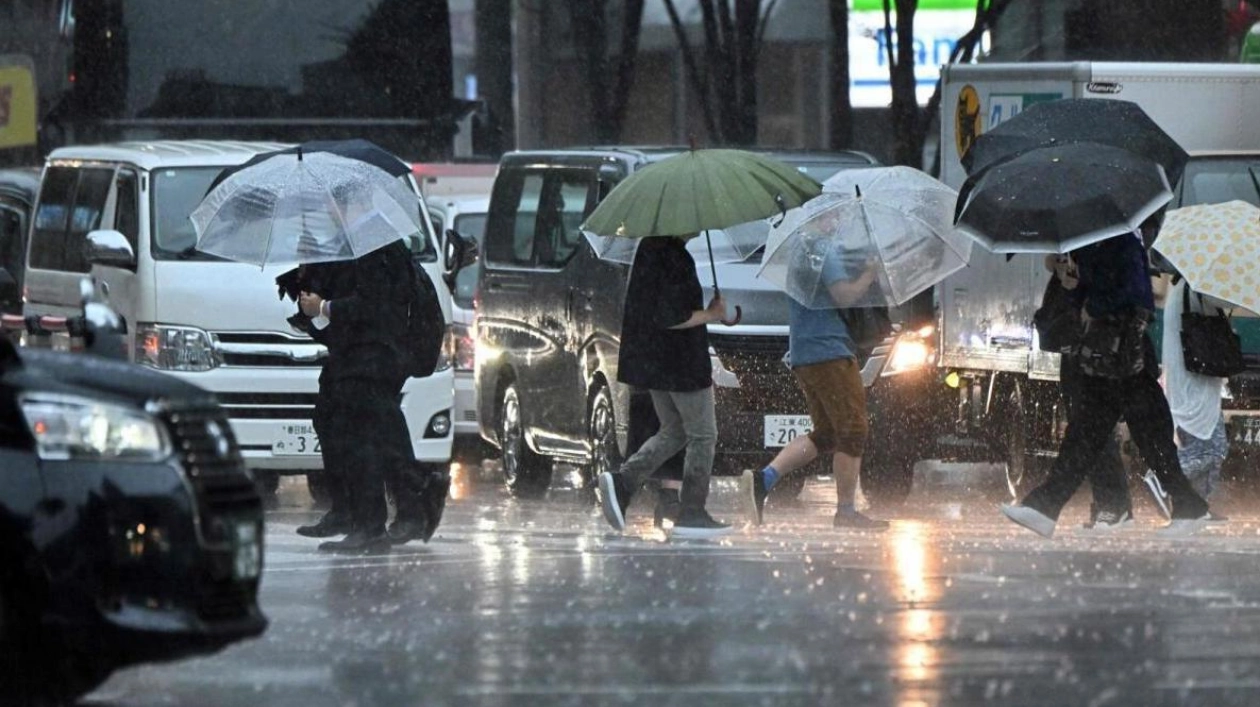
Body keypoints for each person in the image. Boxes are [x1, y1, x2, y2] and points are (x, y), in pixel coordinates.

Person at [1002, 224, 1213, 538]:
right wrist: (1073, 277)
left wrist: (1092, 304)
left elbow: (1134, 292)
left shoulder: (1120, 239)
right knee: (1112, 432)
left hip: (1117, 352)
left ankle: (1047, 506)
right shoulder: (1100, 237)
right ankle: (1046, 506)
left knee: (1099, 432)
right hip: (1115, 356)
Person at [292, 232, 428, 552]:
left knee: (364, 440)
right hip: (357, 356)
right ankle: (362, 516)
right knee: (345, 429)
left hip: (373, 359)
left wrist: (324, 306)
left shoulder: (373, 243)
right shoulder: (355, 243)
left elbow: (375, 305)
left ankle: (375, 524)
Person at [741, 238, 887, 530]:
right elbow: (843, 295)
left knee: (828, 433)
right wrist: (870, 273)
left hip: (805, 352)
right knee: (853, 429)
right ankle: (845, 512)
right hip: (829, 350)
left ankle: (763, 479)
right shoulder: (824, 249)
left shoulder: (801, 250)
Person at [597, 235, 731, 539]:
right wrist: (710, 315)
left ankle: (624, 483)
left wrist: (709, 313)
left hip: (657, 363)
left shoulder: (650, 249)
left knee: (675, 431)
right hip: (682, 365)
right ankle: (692, 511)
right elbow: (672, 317)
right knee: (703, 435)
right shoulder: (673, 257)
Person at [1042, 255, 1133, 529]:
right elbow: (1054, 319)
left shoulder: (1104, 263)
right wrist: (1062, 276)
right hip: (1073, 359)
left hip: (1095, 358)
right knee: (1088, 433)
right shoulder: (1068, 270)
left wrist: (1078, 284)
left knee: (1095, 433)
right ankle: (1108, 504)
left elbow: (1106, 308)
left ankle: (1114, 505)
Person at [1160, 279, 1230, 506]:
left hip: (1197, 380)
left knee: (1206, 448)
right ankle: (1164, 480)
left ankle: (1195, 506)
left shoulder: (1182, 289)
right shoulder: (1196, 289)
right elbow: (1224, 299)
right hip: (1195, 383)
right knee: (1211, 451)